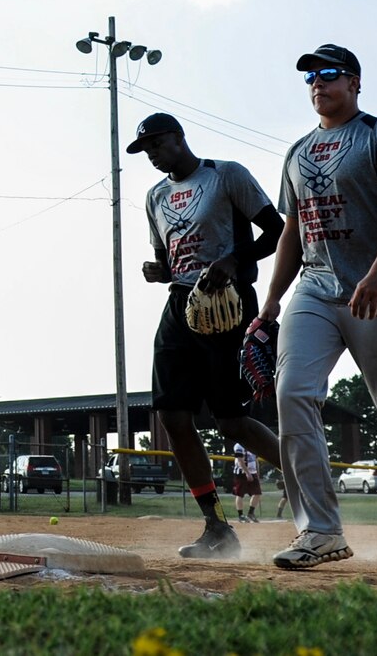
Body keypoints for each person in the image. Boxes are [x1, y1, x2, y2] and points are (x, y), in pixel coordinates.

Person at [253, 44, 377, 576]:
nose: (319, 82)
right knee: (291, 393)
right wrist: (271, 301)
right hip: (314, 291)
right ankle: (320, 530)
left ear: (355, 82)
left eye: (330, 73)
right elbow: (293, 230)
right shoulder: (297, 152)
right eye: (311, 76)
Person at [129, 112, 286, 560]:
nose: (153, 156)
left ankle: (305, 485)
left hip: (228, 303)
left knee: (231, 420)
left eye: (157, 145)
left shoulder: (225, 176)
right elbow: (167, 259)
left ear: (178, 138)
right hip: (182, 305)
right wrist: (158, 271)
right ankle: (217, 526)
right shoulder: (155, 196)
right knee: (173, 416)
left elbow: (275, 232)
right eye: (147, 151)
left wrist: (234, 261)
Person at [230, 443, 262, 524]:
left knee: (257, 493)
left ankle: (251, 513)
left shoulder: (253, 445)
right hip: (241, 473)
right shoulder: (239, 445)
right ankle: (240, 515)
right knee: (240, 494)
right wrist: (247, 473)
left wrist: (257, 473)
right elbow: (240, 460)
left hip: (253, 472)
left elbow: (256, 460)